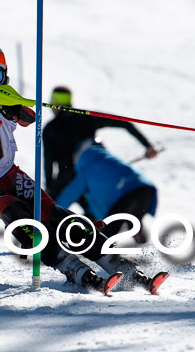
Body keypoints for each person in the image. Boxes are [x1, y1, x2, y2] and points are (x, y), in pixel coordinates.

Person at [0, 42, 167, 294]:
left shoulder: (4, 103)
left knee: (59, 218)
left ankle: (126, 270)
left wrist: (10, 103)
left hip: (10, 176)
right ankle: (72, 268)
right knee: (18, 214)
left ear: (3, 78)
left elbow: (29, 117)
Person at [43, 86, 159, 241]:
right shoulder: (85, 117)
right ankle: (134, 231)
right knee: (100, 210)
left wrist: (50, 185)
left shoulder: (50, 129)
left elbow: (48, 160)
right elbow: (124, 123)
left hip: (68, 177)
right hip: (95, 173)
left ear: (53, 104)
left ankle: (49, 239)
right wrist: (147, 145)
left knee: (50, 211)